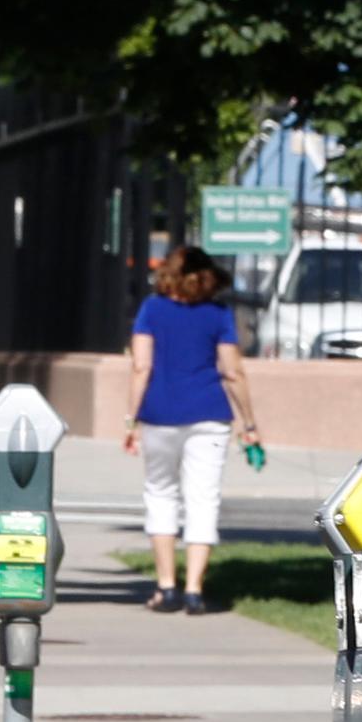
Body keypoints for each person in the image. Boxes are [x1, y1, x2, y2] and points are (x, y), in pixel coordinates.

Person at [125, 246, 255, 614]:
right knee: (203, 499)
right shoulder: (218, 314)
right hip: (210, 415)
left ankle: (167, 588)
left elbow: (141, 367)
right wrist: (250, 422)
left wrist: (130, 419)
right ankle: (195, 590)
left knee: (161, 494)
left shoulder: (152, 309)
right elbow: (232, 371)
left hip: (158, 414)